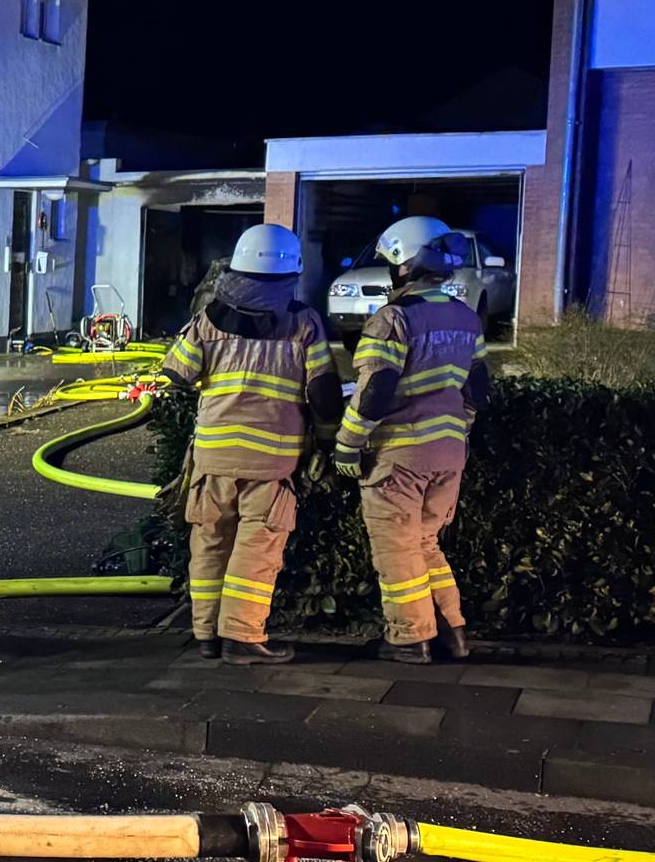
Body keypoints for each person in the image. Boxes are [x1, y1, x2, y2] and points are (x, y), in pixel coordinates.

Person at [156, 224, 341, 665]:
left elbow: (176, 373)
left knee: (210, 543)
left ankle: (206, 634)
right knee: (256, 550)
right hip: (271, 462)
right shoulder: (303, 323)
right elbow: (323, 391)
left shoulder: (208, 319)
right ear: (292, 270)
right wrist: (328, 439)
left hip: (213, 457)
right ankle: (241, 637)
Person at [337, 215, 490, 665]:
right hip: (449, 453)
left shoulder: (393, 319)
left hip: (400, 456)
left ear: (403, 265)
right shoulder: (466, 317)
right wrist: (457, 433)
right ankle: (452, 634)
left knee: (398, 550)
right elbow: (477, 390)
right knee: (425, 543)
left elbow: (375, 390)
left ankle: (409, 640)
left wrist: (348, 443)